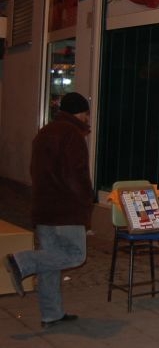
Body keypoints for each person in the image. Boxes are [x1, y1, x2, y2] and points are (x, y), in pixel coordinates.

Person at [3, 92, 94, 328]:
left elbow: (35, 170)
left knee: (49, 264)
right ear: (80, 113)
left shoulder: (45, 132)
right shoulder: (72, 135)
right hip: (66, 209)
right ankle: (22, 261)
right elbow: (76, 175)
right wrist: (86, 202)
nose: (87, 118)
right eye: (86, 113)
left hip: (44, 207)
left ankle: (51, 314)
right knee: (76, 255)